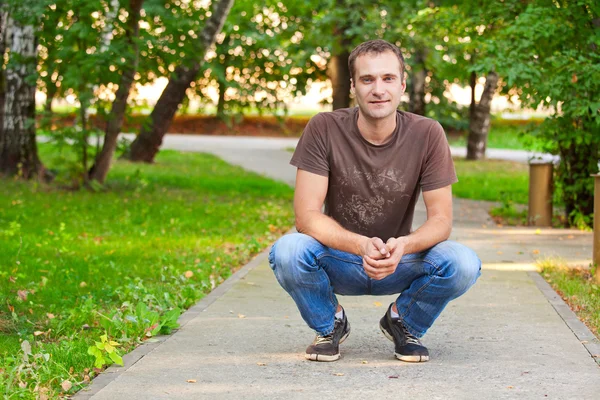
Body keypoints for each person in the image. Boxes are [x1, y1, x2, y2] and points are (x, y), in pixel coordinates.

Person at [268, 39, 481, 363]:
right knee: (288, 251)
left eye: (388, 78)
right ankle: (331, 324)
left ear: (402, 84)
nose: (378, 89)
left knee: (463, 263)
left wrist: (403, 246)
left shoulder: (428, 133)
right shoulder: (324, 127)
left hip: (399, 260)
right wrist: (360, 245)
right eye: (367, 79)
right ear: (353, 85)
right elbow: (307, 217)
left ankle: (403, 322)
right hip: (339, 258)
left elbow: (442, 220)